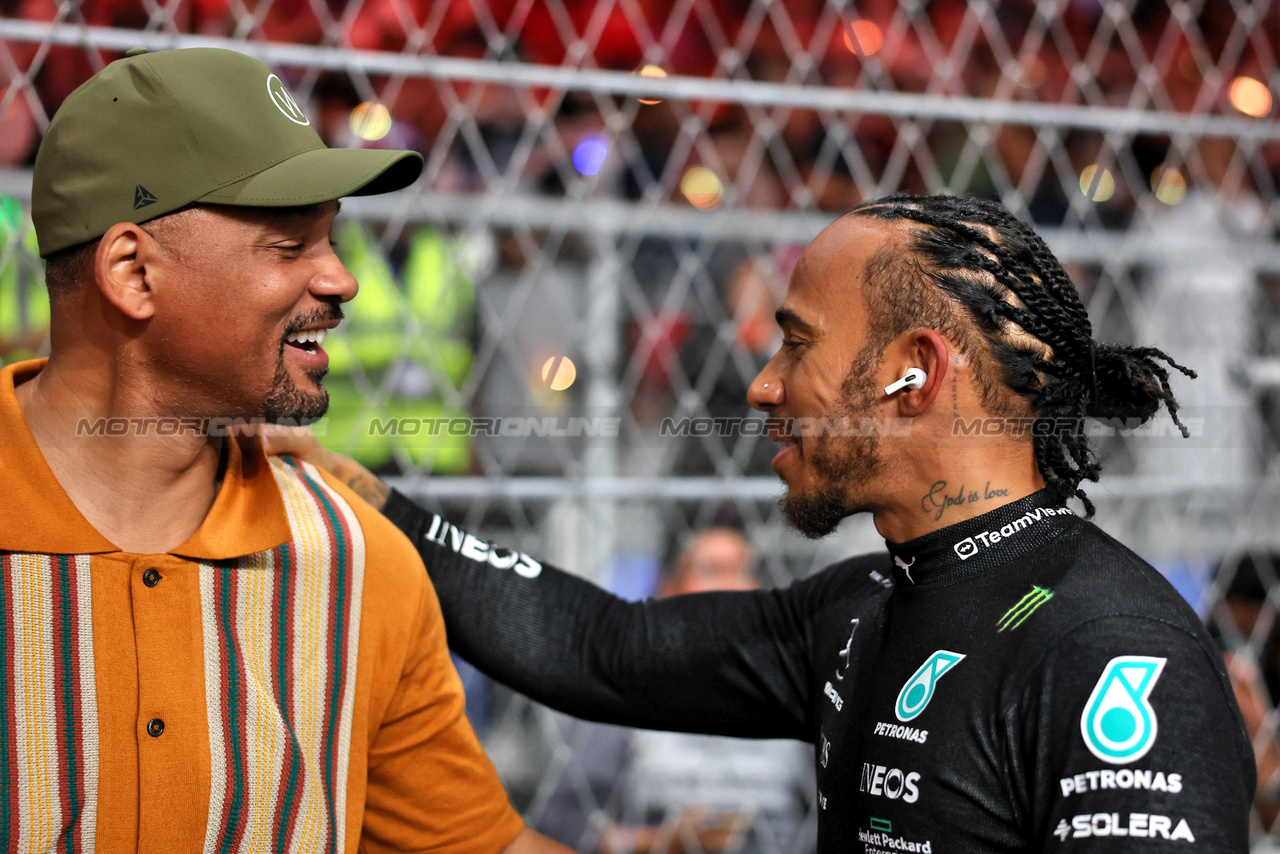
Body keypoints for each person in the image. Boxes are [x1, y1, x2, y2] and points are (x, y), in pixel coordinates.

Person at [268, 194, 1256, 850]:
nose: (760, 383)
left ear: (912, 372)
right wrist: (373, 499)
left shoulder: (1111, 652)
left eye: (795, 344)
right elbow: (601, 646)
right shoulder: (863, 602)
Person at [3, 46, 569, 853]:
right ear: (131, 272)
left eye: (332, 239)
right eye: (290, 245)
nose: (343, 280)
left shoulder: (362, 564)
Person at [534, 528, 812, 854]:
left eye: (741, 570)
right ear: (669, 592)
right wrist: (657, 842)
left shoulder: (797, 694)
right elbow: (559, 822)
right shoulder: (621, 695)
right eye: (709, 570)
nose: (729, 586)